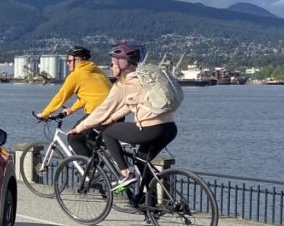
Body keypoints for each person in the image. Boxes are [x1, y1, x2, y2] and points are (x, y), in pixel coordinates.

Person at [67, 42, 178, 192]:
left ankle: (125, 174)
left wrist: (79, 128)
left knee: (108, 132)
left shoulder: (123, 84)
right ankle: (152, 207)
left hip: (150, 129)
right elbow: (130, 104)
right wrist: (113, 118)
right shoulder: (144, 78)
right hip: (169, 128)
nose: (111, 67)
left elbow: (103, 110)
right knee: (141, 162)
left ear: (121, 64)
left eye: (112, 64)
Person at [36, 45, 111, 157]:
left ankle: (91, 170)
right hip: (115, 112)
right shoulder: (97, 70)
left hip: (99, 113)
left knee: (73, 137)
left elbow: (61, 96)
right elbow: (91, 96)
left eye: (70, 61)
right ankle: (97, 165)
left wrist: (45, 114)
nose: (67, 63)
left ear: (79, 60)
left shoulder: (76, 75)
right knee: (88, 140)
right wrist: (72, 109)